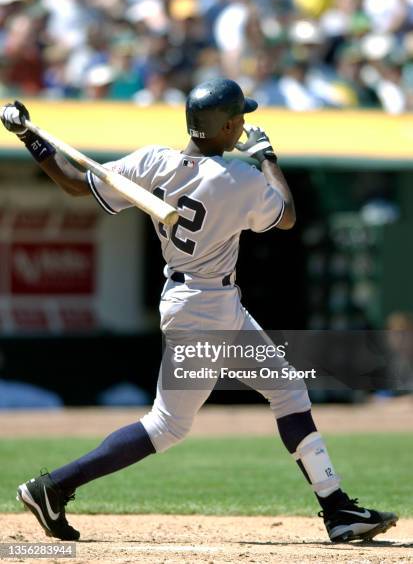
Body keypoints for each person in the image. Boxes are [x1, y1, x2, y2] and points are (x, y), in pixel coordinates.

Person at [1, 79, 397, 543]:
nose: (245, 126)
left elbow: (71, 183)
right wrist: (267, 156)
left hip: (209, 302)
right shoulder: (239, 179)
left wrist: (30, 136)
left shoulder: (152, 162)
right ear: (226, 126)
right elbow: (287, 214)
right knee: (167, 426)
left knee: (288, 389)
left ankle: (337, 509)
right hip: (205, 309)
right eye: (240, 121)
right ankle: (54, 486)